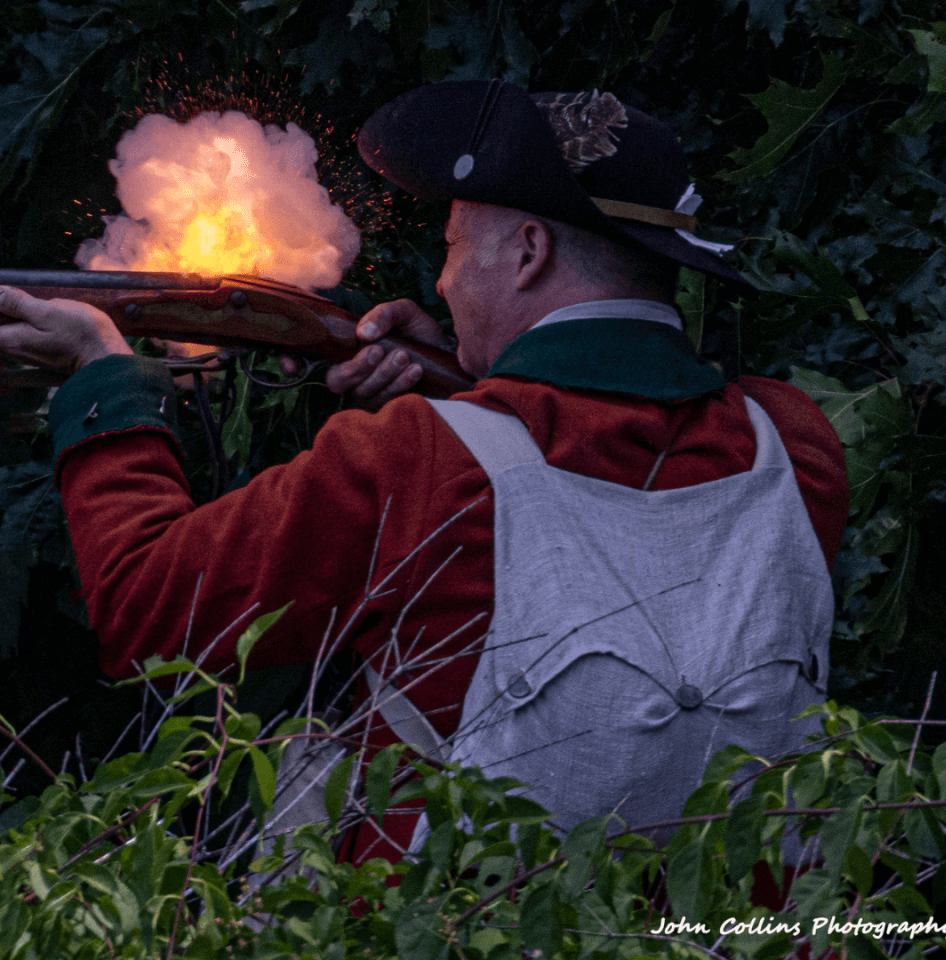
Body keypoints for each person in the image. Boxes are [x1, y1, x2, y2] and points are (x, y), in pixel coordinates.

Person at [0, 80, 847, 866]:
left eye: (449, 248)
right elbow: (602, 477)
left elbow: (147, 607)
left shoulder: (415, 458)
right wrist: (477, 384)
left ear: (527, 251)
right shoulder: (797, 446)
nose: (440, 281)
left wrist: (103, 379)